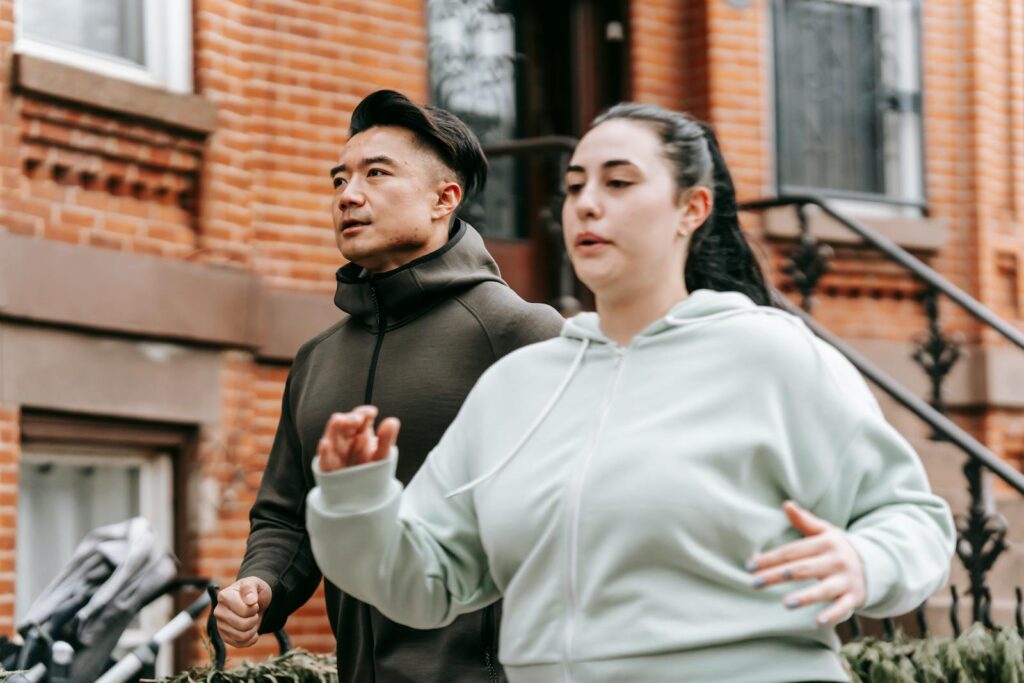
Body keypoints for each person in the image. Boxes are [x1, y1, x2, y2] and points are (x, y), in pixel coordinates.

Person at [303, 103, 956, 682]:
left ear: (691, 209)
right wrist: (356, 498)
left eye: (619, 182)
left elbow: (913, 518)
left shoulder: (770, 356)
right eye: (574, 186)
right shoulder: (517, 385)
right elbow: (426, 581)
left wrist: (864, 558)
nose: (587, 203)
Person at [213, 90, 564, 682]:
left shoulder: (521, 332)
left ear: (443, 199)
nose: (348, 195)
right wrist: (261, 584)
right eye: (339, 180)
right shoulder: (317, 359)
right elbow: (286, 517)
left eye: (376, 174)